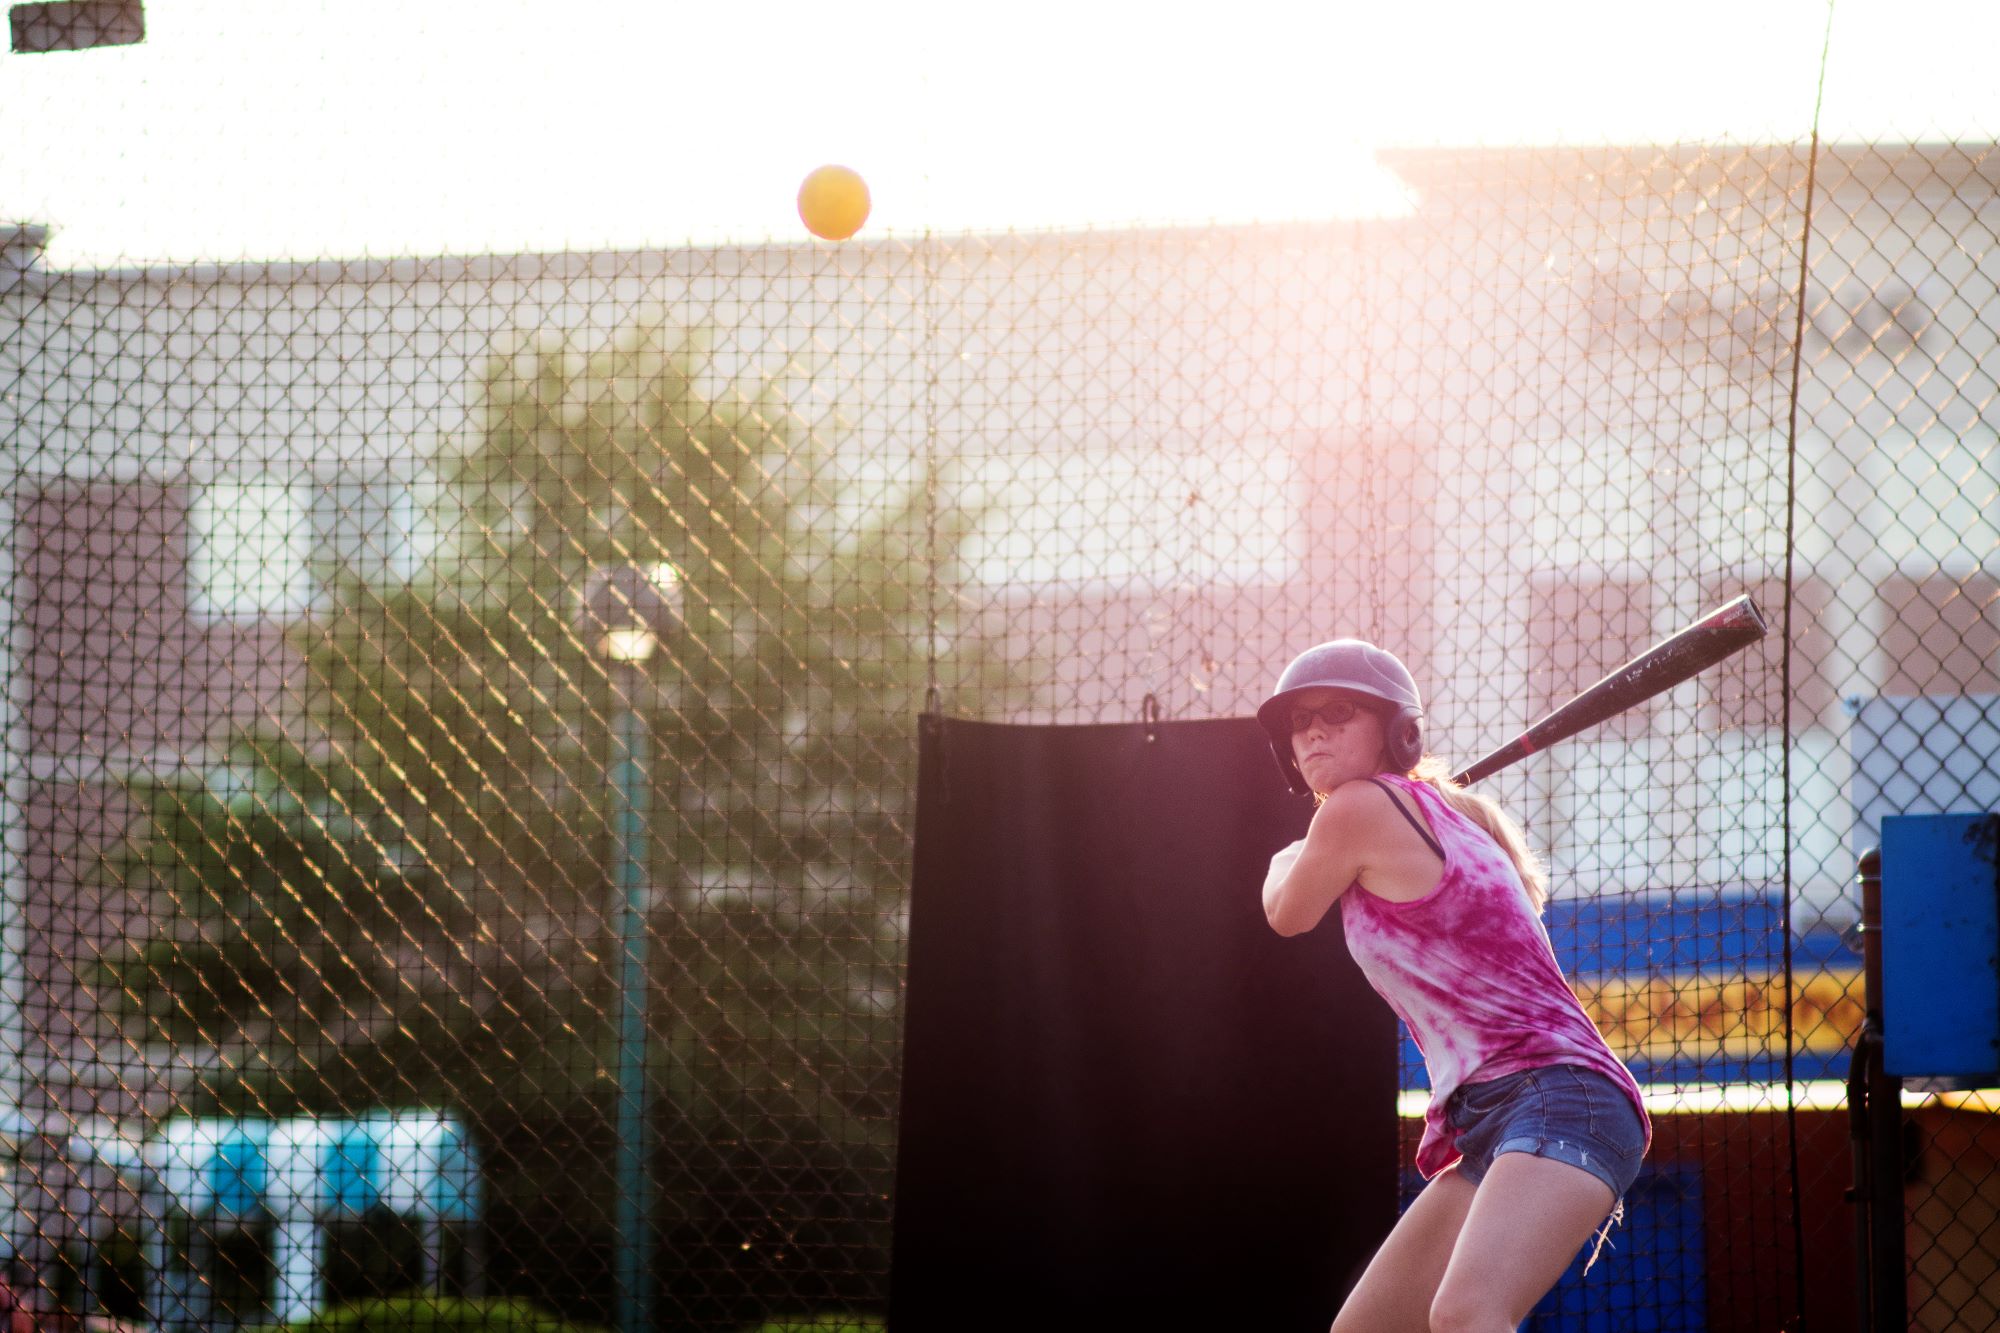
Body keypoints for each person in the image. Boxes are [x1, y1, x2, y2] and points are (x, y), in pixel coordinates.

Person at [1256, 639, 1649, 1333]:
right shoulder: (1447, 814)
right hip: (1492, 1117)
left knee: (1468, 1312)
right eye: (1300, 720)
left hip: (1560, 1097)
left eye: (1339, 712)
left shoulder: (1355, 808)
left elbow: (1288, 912)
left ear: (1395, 729)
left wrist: (1286, 857)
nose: (1314, 731)